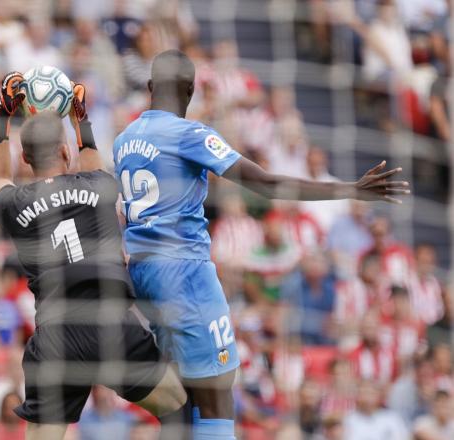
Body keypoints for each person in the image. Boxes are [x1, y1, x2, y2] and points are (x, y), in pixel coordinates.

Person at [113, 49, 410, 440]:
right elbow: (266, 184)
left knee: (180, 396)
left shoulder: (124, 139)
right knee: (217, 394)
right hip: (184, 272)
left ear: (151, 87)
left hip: (144, 271)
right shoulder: (189, 133)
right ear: (191, 89)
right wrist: (350, 190)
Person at [0, 72, 186, 440]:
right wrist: (80, 118)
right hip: (109, 322)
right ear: (65, 151)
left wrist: (2, 112)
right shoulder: (97, 186)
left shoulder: (15, 204)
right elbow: (92, 161)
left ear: (26, 160)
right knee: (178, 408)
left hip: (56, 336)